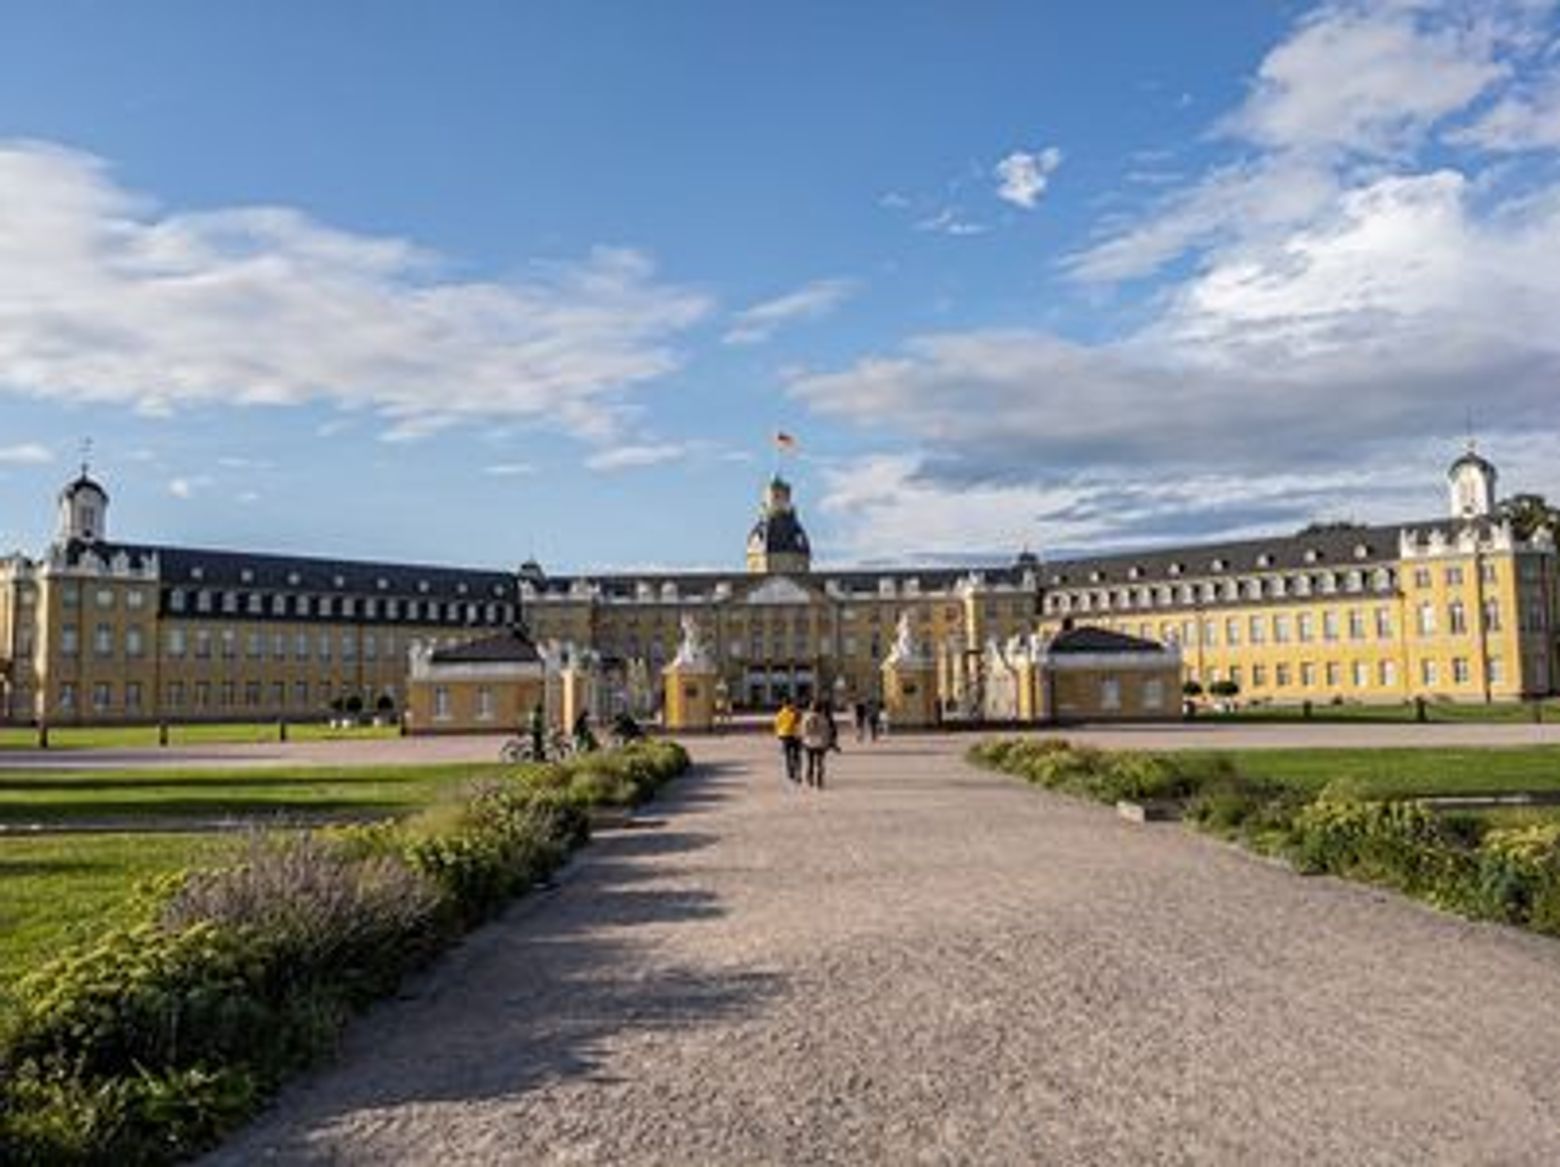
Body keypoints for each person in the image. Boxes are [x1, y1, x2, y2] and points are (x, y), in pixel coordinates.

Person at [800, 699, 831, 789]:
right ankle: (819, 781)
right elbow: (827, 731)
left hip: (809, 742)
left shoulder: (806, 717)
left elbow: (803, 730)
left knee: (810, 762)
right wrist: (827, 742)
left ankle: (810, 779)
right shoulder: (823, 718)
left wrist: (802, 739)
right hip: (820, 743)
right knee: (820, 763)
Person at [774, 698, 802, 785]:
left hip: (784, 735)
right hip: (794, 735)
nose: (794, 705)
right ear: (790, 704)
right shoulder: (796, 713)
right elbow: (799, 724)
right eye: (792, 703)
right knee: (796, 755)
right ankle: (796, 772)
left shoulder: (780, 713)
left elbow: (776, 725)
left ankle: (791, 772)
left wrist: (778, 734)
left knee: (788, 755)